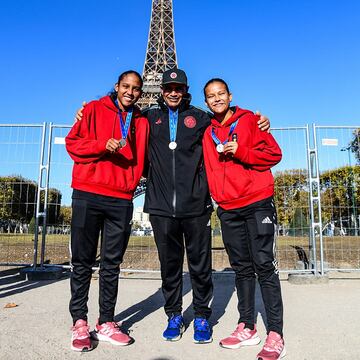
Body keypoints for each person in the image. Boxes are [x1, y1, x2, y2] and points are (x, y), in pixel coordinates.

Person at [75, 68, 270, 344]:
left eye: (178, 88)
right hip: (161, 207)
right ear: (161, 91)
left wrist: (258, 120)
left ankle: (202, 314)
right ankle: (174, 314)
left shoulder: (202, 119)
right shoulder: (146, 118)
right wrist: (86, 111)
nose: (173, 92)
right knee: (170, 266)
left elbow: (227, 121)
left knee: (201, 266)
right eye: (168, 88)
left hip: (196, 205)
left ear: (185, 90)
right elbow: (119, 114)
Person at [65, 70, 149, 352]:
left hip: (121, 197)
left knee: (112, 264)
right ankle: (79, 321)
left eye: (136, 88)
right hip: (88, 192)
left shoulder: (141, 120)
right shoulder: (91, 109)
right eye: (126, 86)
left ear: (141, 92)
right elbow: (73, 144)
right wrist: (102, 145)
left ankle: (106, 321)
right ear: (117, 87)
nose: (131, 92)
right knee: (82, 262)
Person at [202, 78, 286, 360]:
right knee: (241, 269)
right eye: (211, 96)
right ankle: (247, 326)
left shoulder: (250, 120)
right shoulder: (207, 131)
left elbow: (275, 154)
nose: (216, 99)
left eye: (220, 94)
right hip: (228, 207)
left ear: (230, 95)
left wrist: (242, 152)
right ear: (206, 102)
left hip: (257, 202)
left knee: (265, 266)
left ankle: (275, 333)